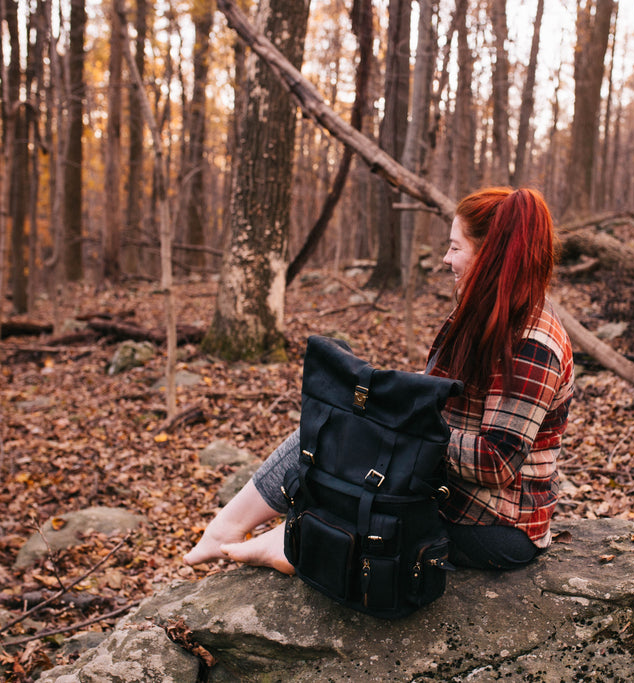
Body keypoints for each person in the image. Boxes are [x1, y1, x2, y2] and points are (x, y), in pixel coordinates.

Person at [184, 187, 574, 572]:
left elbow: (497, 461)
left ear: (489, 256)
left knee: (366, 463)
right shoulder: (478, 315)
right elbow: (435, 398)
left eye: (455, 248)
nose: (445, 258)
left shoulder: (533, 344)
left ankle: (290, 540)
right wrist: (385, 410)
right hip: (450, 491)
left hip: (497, 525)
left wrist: (402, 429)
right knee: (332, 425)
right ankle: (228, 530)